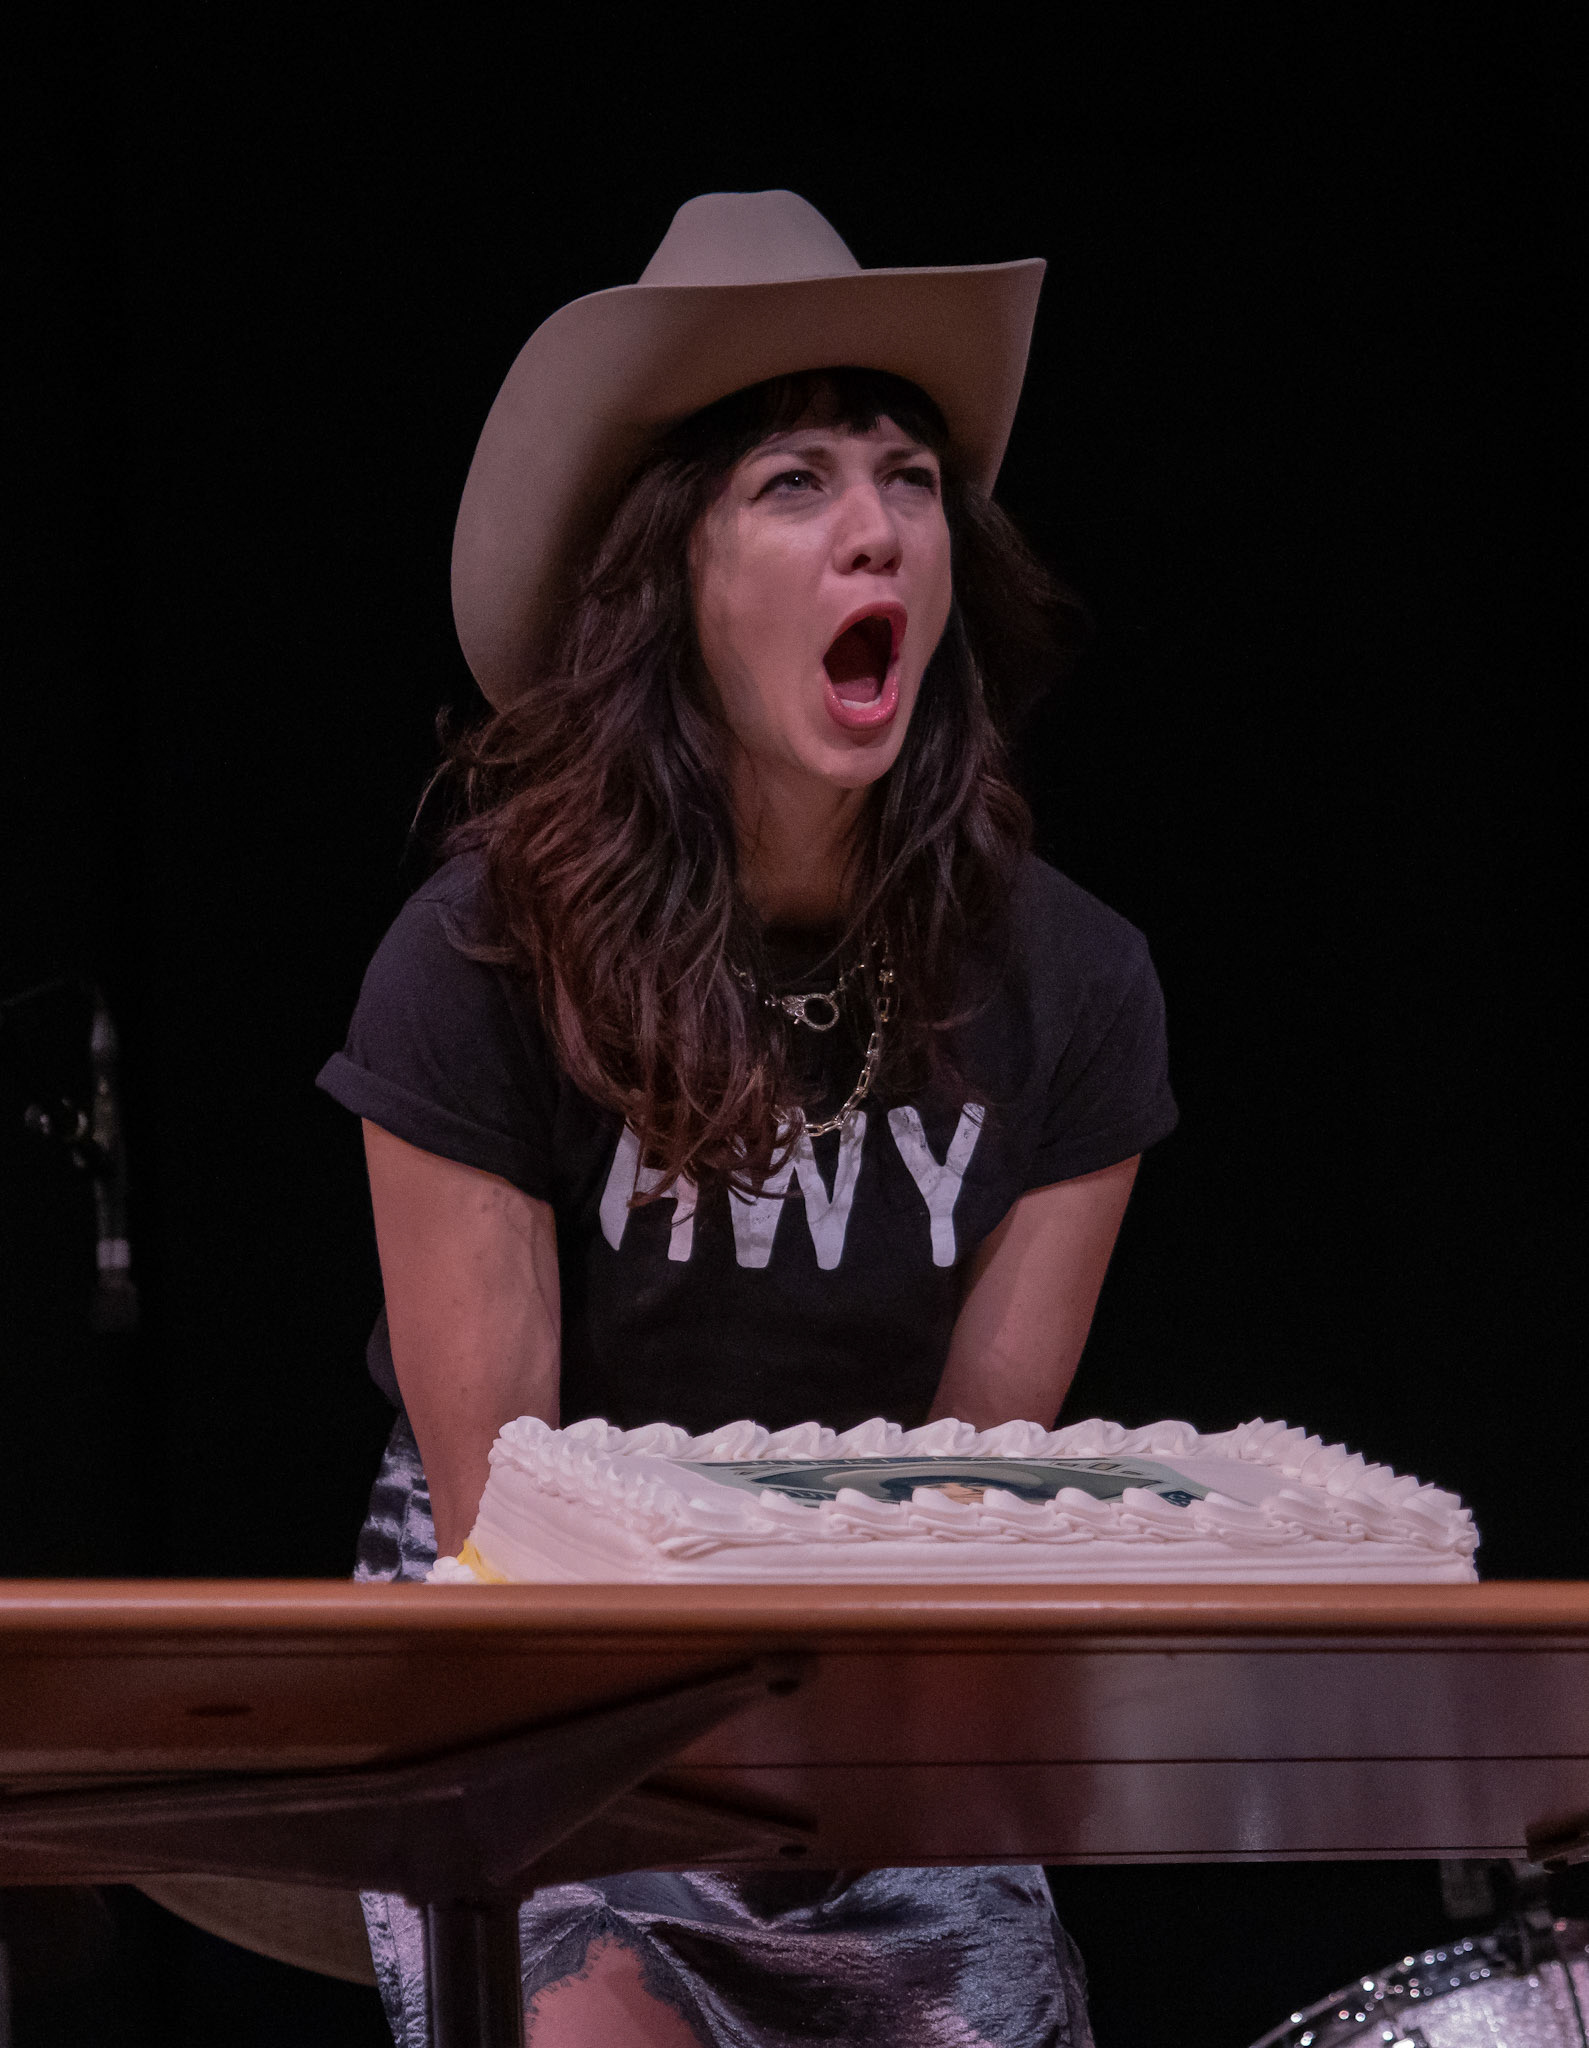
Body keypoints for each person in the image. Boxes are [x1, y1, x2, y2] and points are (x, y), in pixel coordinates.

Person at [319, 189, 1176, 2048]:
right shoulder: (472, 964)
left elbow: (968, 1500)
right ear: (669, 580)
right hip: (545, 1673)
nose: (875, 527)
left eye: (907, 479)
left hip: (865, 1654)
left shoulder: (1074, 984)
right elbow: (504, 1520)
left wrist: (841, 1708)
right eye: (793, 482)